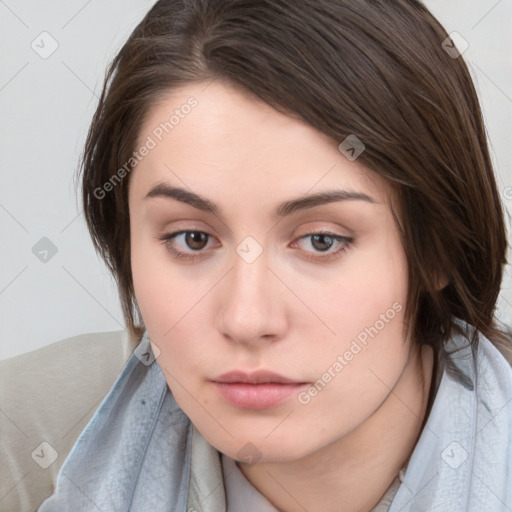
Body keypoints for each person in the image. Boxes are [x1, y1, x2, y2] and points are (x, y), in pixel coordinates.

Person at [38, 0, 512, 511]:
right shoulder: (25, 445)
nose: (246, 319)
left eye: (321, 241)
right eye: (192, 238)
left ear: (437, 247)